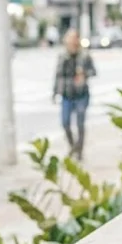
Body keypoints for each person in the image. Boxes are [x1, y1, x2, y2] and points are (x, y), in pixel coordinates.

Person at [52, 29, 96, 160]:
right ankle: (73, 146)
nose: (71, 41)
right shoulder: (62, 56)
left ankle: (80, 151)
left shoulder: (85, 55)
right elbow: (57, 75)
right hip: (66, 94)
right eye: (69, 38)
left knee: (80, 124)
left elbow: (93, 71)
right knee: (65, 123)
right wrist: (55, 92)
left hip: (81, 94)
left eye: (74, 38)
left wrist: (84, 74)